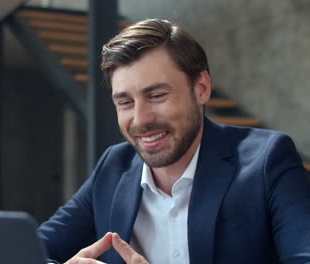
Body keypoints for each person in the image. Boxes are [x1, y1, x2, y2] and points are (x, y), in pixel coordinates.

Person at [38, 18, 310, 264]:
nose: (140, 119)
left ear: (201, 88)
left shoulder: (268, 160)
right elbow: (29, 251)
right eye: (125, 102)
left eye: (156, 95)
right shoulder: (114, 166)